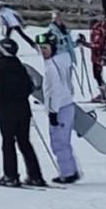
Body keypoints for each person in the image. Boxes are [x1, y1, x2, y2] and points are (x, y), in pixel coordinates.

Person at [0, 39, 46, 187]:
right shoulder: (21, 67)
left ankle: (11, 176)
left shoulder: (0, 69)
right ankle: (35, 176)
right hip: (23, 111)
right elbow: (29, 87)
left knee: (8, 143)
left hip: (6, 112)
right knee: (25, 143)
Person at [38, 31, 80, 184]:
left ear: (53, 48)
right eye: (41, 48)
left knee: (59, 142)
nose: (43, 51)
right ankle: (71, 169)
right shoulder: (62, 60)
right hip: (67, 104)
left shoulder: (51, 68)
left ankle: (68, 173)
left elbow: (54, 92)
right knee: (64, 141)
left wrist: (53, 112)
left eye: (46, 48)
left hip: (60, 107)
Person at [75, 18, 106, 103]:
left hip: (98, 56)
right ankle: (105, 93)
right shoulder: (97, 29)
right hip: (96, 56)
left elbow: (98, 45)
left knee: (98, 75)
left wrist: (85, 44)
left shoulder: (97, 30)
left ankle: (104, 95)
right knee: (98, 75)